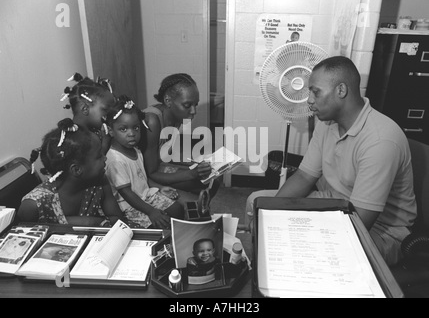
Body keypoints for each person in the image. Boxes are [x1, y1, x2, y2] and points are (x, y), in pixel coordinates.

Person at [246, 56, 417, 266]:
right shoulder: (327, 123)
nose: (309, 100)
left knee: (304, 247)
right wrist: (272, 211)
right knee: (257, 203)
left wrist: (297, 227)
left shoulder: (380, 140)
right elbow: (303, 176)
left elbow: (359, 223)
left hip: (381, 230)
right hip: (335, 202)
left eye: (315, 92)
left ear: (341, 90)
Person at [18, 118, 124, 227]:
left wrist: (91, 222)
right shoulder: (34, 204)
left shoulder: (100, 181)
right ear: (76, 169)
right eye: (99, 156)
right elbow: (22, 237)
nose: (105, 158)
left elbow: (118, 219)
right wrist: (78, 222)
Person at [105, 95, 185, 229]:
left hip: (146, 196)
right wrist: (151, 211)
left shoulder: (136, 150)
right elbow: (127, 193)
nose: (131, 133)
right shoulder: (115, 159)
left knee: (177, 209)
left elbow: (142, 178)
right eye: (123, 129)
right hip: (129, 205)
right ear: (111, 131)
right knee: (158, 224)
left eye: (136, 128)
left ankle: (177, 236)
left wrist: (160, 189)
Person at [140, 73, 219, 202]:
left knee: (212, 181)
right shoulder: (152, 121)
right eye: (187, 105)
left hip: (158, 167)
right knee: (195, 201)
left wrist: (196, 164)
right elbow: (151, 173)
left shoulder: (177, 117)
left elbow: (164, 154)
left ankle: (199, 212)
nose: (193, 111)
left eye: (195, 105)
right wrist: (191, 173)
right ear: (168, 101)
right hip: (144, 177)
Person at [61, 73, 116, 155]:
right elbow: (92, 164)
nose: (112, 114)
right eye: (106, 109)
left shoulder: (95, 132)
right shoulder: (75, 140)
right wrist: (105, 144)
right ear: (85, 109)